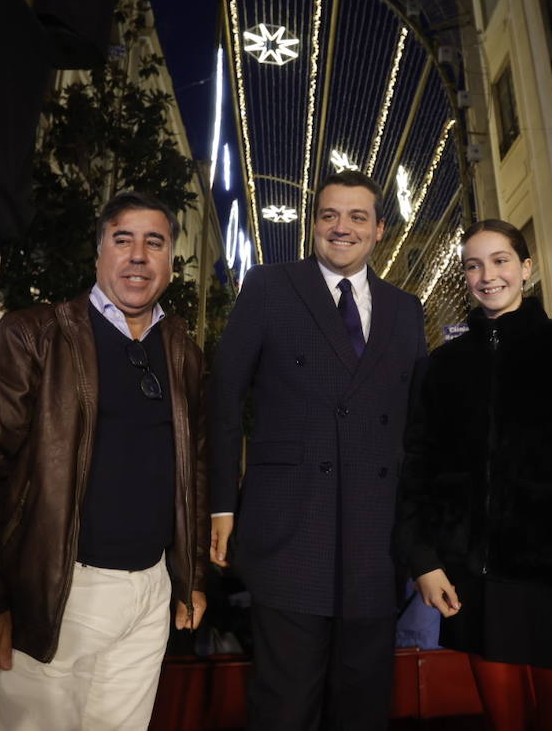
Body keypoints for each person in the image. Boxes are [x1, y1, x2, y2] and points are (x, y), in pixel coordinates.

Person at [0, 191, 208, 731]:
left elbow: (193, 470)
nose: (138, 255)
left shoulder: (183, 352)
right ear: (98, 252)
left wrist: (190, 575)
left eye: (154, 243)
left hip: (149, 594)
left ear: (170, 262)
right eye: (122, 239)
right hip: (53, 591)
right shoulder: (35, 334)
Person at [208, 170, 429, 730]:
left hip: (376, 539)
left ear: (379, 229)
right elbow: (224, 399)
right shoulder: (268, 286)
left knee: (363, 708)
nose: (341, 227)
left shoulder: (406, 309)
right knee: (284, 708)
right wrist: (222, 506)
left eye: (357, 216)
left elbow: (418, 432)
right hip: (289, 529)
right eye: (329, 215)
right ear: (313, 225)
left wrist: (421, 541)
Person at [398, 220, 552, 731]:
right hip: (471, 582)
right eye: (473, 265)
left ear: (526, 268)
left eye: (500, 260)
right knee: (503, 721)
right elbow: (418, 468)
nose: (488, 276)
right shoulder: (442, 366)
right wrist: (423, 561)